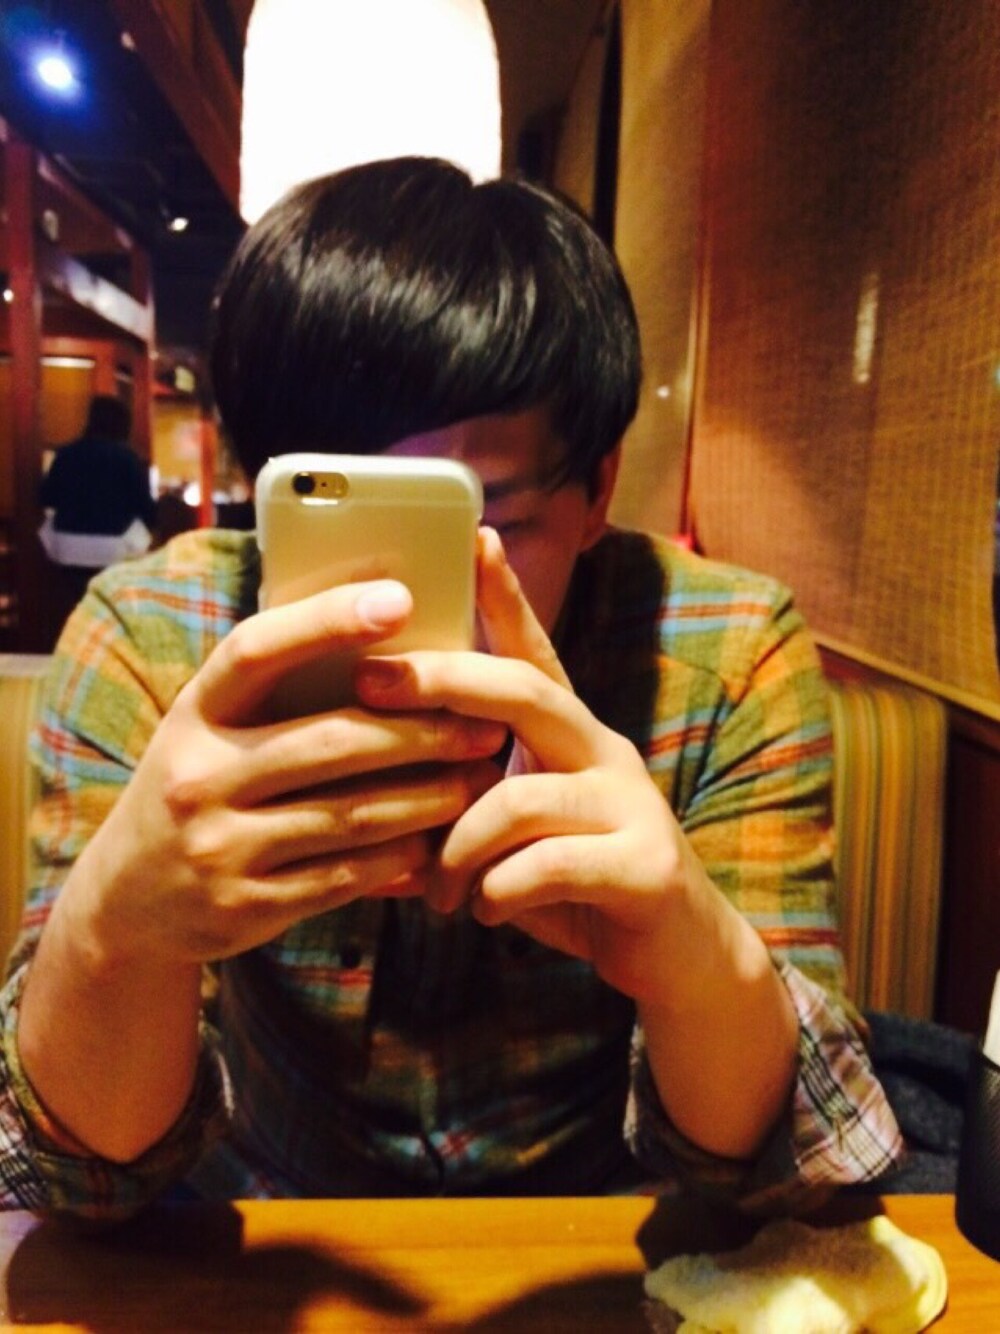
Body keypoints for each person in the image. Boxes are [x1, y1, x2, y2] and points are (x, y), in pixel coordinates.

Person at [0, 158, 902, 1219]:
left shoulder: (725, 653)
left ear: (598, 488)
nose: (393, 601)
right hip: (259, 1237)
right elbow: (85, 1172)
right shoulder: (150, 635)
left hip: (586, 1241)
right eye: (337, 511)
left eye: (487, 523)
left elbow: (775, 1172)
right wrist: (119, 927)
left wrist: (693, 955)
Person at [39, 394, 157, 577]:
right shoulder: (127, 458)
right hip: (113, 548)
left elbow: (47, 497)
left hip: (66, 546)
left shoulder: (65, 454)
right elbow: (145, 508)